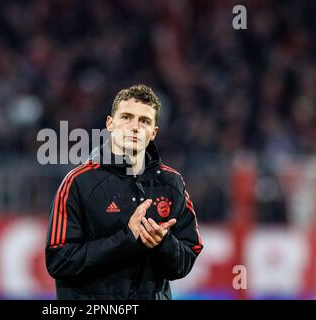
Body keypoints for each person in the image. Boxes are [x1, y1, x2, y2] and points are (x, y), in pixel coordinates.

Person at [45, 84, 203, 300]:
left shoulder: (171, 183)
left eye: (144, 121)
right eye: (127, 117)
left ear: (154, 132)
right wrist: (127, 239)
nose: (135, 126)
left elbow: (185, 261)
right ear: (110, 123)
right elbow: (59, 261)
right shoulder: (77, 183)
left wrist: (163, 244)